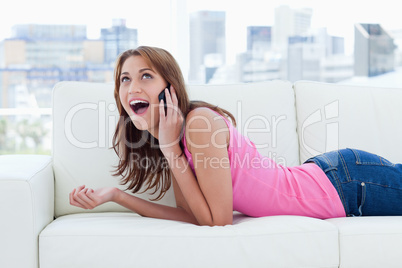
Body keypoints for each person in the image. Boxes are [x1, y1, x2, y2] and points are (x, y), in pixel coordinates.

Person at [69, 46, 402, 226]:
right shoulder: (174, 142)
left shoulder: (197, 125)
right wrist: (116, 195)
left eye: (145, 76)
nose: (132, 87)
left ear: (170, 88)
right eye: (125, 80)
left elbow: (218, 221)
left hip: (344, 184)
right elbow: (194, 216)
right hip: (333, 179)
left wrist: (170, 147)